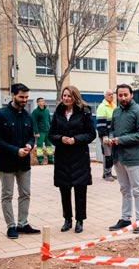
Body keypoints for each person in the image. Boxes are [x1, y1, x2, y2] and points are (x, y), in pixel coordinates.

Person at [0, 83, 40, 239]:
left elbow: (31, 136)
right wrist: (15, 150)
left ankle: (23, 223)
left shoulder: (28, 116)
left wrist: (29, 145)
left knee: (25, 193)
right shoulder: (0, 115)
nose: (24, 100)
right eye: (21, 97)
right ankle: (11, 226)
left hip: (24, 163)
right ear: (13, 95)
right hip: (6, 163)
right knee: (7, 195)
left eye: (26, 97)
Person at [49, 85, 96, 233]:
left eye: (69, 96)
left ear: (74, 97)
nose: (66, 98)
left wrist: (75, 139)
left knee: (80, 189)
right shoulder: (58, 113)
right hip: (63, 156)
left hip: (79, 155)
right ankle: (67, 219)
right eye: (64, 96)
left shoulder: (84, 112)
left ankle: (80, 220)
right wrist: (61, 138)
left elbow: (90, 134)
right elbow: (51, 134)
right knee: (64, 190)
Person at [108, 84, 139, 234]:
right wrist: (111, 138)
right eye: (120, 95)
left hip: (133, 157)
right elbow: (112, 129)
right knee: (125, 189)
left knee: (137, 189)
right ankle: (125, 218)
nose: (123, 98)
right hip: (118, 157)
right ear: (117, 96)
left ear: (131, 95)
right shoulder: (116, 111)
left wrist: (121, 140)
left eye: (126, 95)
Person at [96, 89, 117, 181]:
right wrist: (104, 136)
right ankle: (107, 173)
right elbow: (100, 123)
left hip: (112, 134)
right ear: (105, 96)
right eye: (109, 94)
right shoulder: (102, 107)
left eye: (112, 94)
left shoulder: (114, 106)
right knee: (107, 154)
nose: (111, 96)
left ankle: (108, 173)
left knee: (111, 155)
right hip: (106, 135)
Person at [32, 97, 53, 165]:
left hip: (47, 131)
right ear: (38, 103)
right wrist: (36, 132)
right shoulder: (35, 112)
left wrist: (51, 128)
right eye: (40, 101)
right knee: (39, 146)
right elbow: (34, 122)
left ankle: (50, 159)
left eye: (43, 101)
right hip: (40, 132)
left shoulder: (46, 110)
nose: (42, 102)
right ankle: (40, 160)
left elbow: (49, 120)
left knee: (49, 145)